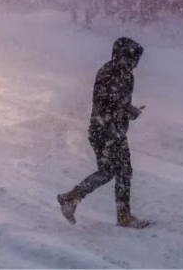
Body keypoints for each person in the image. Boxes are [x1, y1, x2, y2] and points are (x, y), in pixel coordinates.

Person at [57, 36, 149, 228]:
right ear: (121, 56)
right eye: (132, 58)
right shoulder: (109, 73)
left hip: (112, 130)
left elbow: (119, 103)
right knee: (120, 171)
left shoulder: (126, 75)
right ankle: (122, 216)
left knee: (112, 171)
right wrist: (128, 112)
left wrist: (129, 110)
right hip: (106, 131)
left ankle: (72, 197)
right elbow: (109, 104)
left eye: (137, 60)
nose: (135, 63)